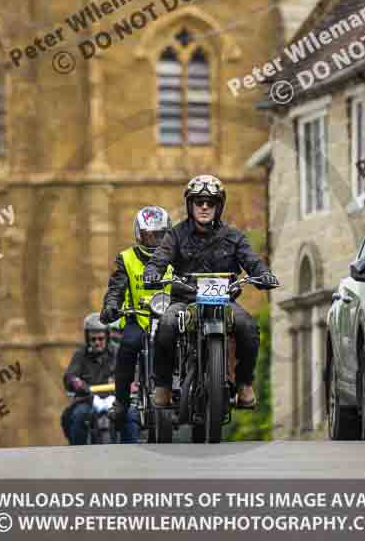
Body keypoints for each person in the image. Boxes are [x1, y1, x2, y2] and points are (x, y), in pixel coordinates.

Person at [143, 175, 279, 409]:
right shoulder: (175, 235)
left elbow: (252, 261)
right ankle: (163, 386)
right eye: (199, 202)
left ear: (219, 206)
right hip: (185, 301)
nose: (204, 207)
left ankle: (245, 383)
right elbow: (159, 259)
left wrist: (264, 274)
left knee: (248, 327)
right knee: (165, 325)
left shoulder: (234, 237)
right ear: (190, 205)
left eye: (211, 202)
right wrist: (152, 272)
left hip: (224, 302)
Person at [100, 205, 172, 427]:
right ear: (139, 234)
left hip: (169, 318)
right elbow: (116, 287)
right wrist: (111, 305)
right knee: (127, 348)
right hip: (138, 319)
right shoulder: (127, 258)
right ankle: (121, 402)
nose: (154, 241)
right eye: (149, 235)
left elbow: (187, 281)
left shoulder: (176, 256)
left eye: (159, 235)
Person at [61, 313, 140, 444]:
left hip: (117, 399)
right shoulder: (80, 355)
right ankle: (77, 452)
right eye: (93, 339)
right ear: (87, 339)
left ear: (107, 337)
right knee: (76, 416)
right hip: (88, 400)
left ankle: (131, 451)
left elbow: (133, 372)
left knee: (131, 415)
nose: (97, 342)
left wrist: (132, 384)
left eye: (100, 338)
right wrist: (76, 383)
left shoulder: (119, 352)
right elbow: (70, 376)